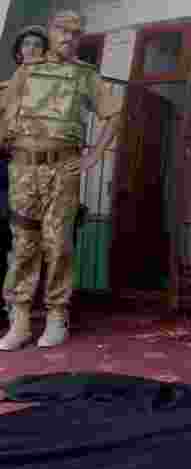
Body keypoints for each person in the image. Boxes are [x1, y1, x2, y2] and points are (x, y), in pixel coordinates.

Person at [0, 10, 120, 350]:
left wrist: (93, 156)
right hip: (23, 170)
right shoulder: (27, 71)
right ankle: (19, 317)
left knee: (58, 244)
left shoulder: (84, 75)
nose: (68, 37)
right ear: (50, 33)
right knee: (23, 244)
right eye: (62, 30)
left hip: (62, 169)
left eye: (75, 33)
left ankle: (56, 314)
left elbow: (113, 114)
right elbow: (5, 115)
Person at [1, 25, 50, 321]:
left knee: (30, 242)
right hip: (6, 170)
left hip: (41, 171)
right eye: (27, 45)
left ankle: (22, 307)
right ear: (19, 53)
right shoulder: (5, 89)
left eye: (38, 45)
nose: (32, 49)